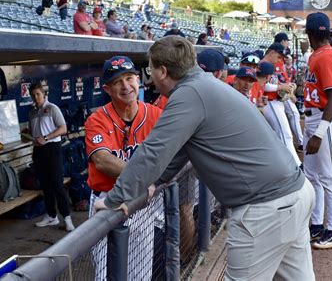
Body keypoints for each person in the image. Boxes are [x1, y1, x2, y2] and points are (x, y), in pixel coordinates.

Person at [95, 36, 315, 280]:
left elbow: (152, 153)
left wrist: (116, 198)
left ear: (163, 71)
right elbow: (180, 151)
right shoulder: (203, 84)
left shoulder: (189, 94)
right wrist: (155, 183)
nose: (151, 76)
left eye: (151, 69)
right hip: (296, 193)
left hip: (266, 208)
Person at [85, 56, 162, 280]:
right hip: (107, 202)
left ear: (138, 80)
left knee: (141, 272)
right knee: (106, 272)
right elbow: (102, 160)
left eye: (129, 78)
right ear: (107, 88)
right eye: (118, 81)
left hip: (142, 201)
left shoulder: (155, 115)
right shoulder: (97, 119)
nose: (126, 86)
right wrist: (142, 177)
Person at [303, 12, 332, 250]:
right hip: (313, 118)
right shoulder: (317, 55)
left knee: (329, 177)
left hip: (325, 121)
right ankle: (317, 224)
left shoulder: (326, 56)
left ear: (309, 34)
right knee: (313, 176)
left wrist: (319, 133)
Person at [27, 83, 74, 232]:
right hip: (38, 150)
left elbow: (63, 128)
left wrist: (46, 137)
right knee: (45, 185)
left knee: (57, 185)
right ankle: (51, 216)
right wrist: (27, 135)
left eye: (38, 94)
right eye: (33, 95)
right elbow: (33, 132)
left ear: (44, 94)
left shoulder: (52, 108)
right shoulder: (32, 112)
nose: (36, 97)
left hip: (52, 149)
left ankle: (67, 219)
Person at [262, 43, 302, 166]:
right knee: (285, 135)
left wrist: (286, 88)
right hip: (270, 103)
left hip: (276, 102)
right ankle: (297, 166)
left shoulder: (270, 65)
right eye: (279, 57)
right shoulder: (262, 65)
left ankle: (284, 164)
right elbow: (263, 85)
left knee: (281, 135)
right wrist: (281, 86)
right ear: (272, 52)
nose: (280, 60)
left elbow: (274, 82)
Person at [274, 32, 304, 153]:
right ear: (282, 41)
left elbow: (284, 78)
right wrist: (291, 94)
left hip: (282, 91)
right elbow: (278, 79)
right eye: (287, 41)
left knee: (292, 115)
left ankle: (299, 142)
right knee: (293, 114)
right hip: (277, 94)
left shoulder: (280, 57)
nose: (288, 43)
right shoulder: (276, 56)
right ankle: (301, 143)